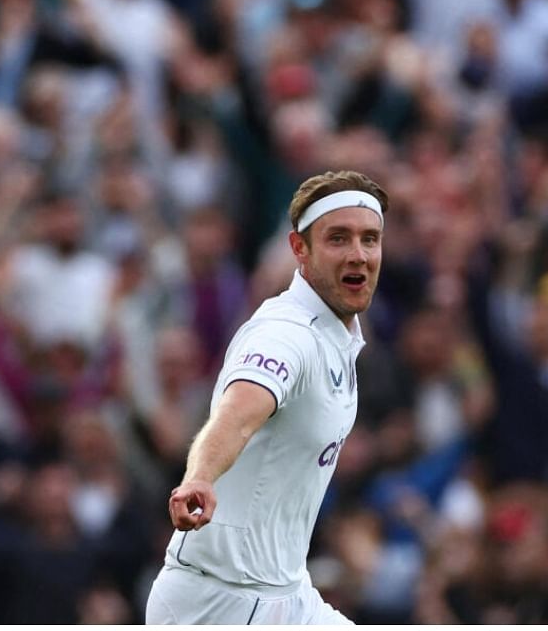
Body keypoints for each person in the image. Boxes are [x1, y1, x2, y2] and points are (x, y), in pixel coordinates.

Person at [144, 170, 388, 624]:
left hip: (289, 595)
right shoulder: (284, 334)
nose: (359, 255)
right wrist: (200, 477)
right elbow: (236, 415)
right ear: (300, 249)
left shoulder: (339, 337)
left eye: (369, 239)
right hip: (219, 605)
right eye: (338, 239)